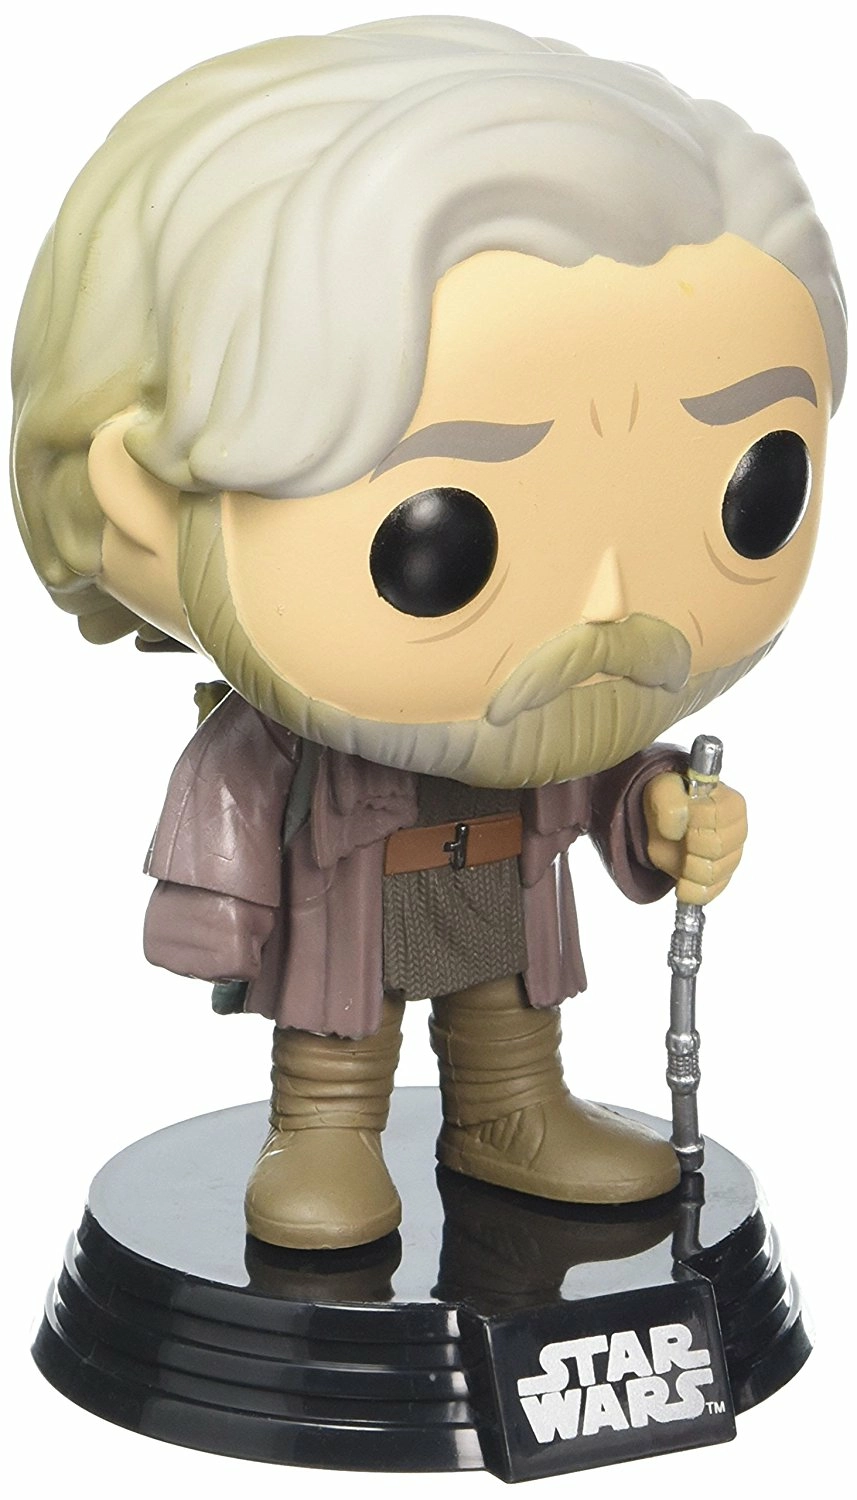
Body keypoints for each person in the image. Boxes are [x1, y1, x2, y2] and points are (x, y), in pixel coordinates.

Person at [11, 17, 845, 1249]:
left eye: (752, 490)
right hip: (354, 886)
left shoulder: (568, 707)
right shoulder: (293, 735)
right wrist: (218, 914)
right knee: (339, 1030)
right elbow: (228, 791)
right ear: (142, 511)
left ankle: (512, 1112)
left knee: (509, 1013)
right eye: (435, 537)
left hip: (502, 877)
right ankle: (324, 1131)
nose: (606, 598)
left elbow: (600, 776)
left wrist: (659, 808)